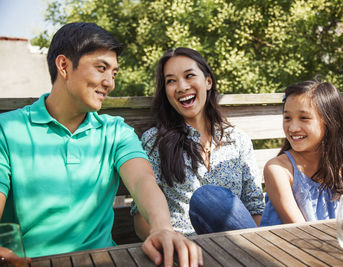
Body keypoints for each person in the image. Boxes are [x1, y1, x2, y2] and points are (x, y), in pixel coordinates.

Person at [0, 22, 202, 267]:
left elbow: (141, 180)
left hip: (104, 261)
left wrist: (161, 227)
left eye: (114, 73)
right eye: (101, 68)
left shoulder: (115, 131)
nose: (110, 83)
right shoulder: (7, 130)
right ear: (64, 66)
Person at [131, 47, 265, 238]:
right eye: (171, 81)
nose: (182, 87)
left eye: (189, 75)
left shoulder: (238, 140)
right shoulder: (155, 141)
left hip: (237, 248)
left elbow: (254, 207)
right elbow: (141, 218)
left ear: (208, 81)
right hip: (185, 250)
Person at [260, 80, 343, 226]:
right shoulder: (278, 170)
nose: (293, 128)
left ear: (330, 121)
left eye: (304, 118)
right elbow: (302, 231)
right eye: (287, 117)